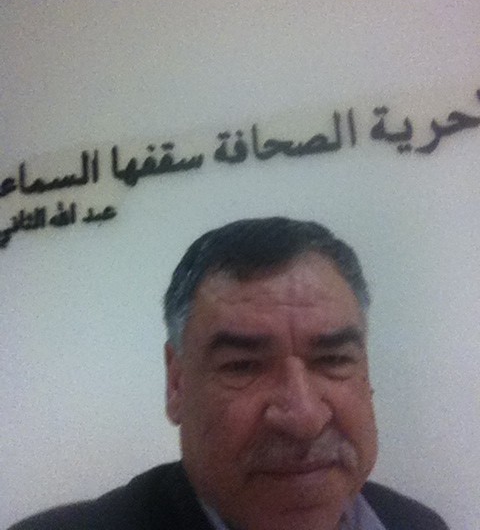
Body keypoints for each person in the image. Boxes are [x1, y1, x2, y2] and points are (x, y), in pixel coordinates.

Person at [10, 217, 448, 530]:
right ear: (176, 383)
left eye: (333, 360)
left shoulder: (416, 524)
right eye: (243, 366)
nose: (304, 418)